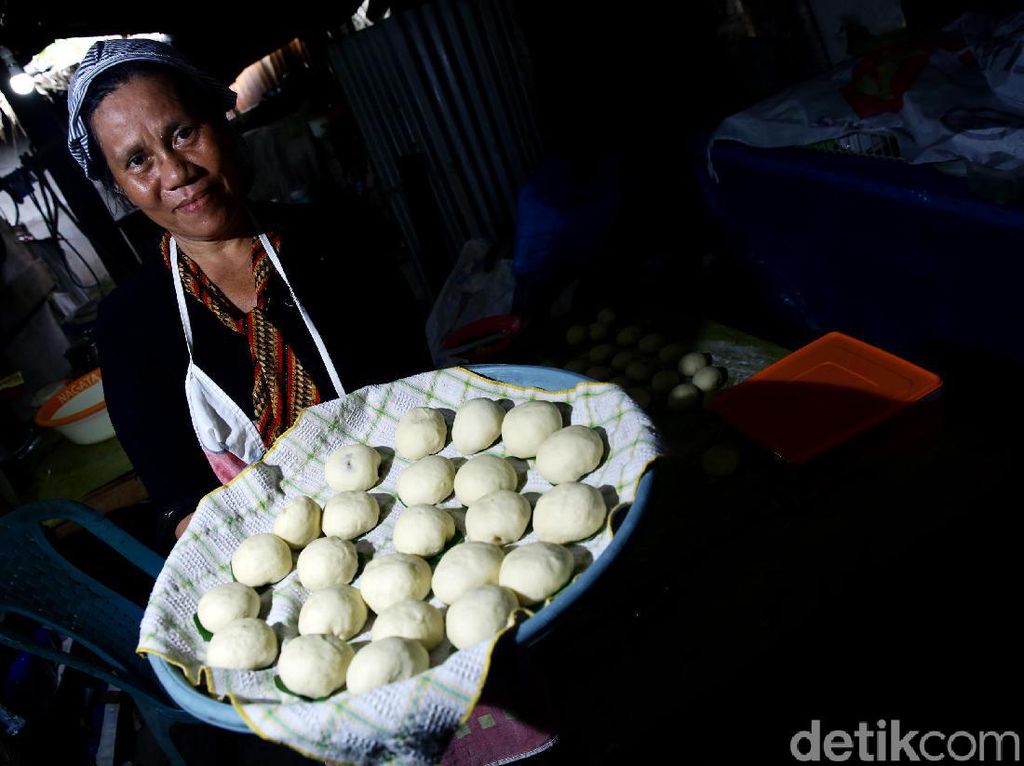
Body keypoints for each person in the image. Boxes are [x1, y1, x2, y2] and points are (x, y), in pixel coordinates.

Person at [66, 39, 432, 546]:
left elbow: (422, 389)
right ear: (119, 187)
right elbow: (178, 497)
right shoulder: (129, 325)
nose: (176, 173)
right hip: (276, 557)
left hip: (414, 501)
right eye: (138, 161)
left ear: (221, 121)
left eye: (184, 132)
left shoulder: (339, 239)